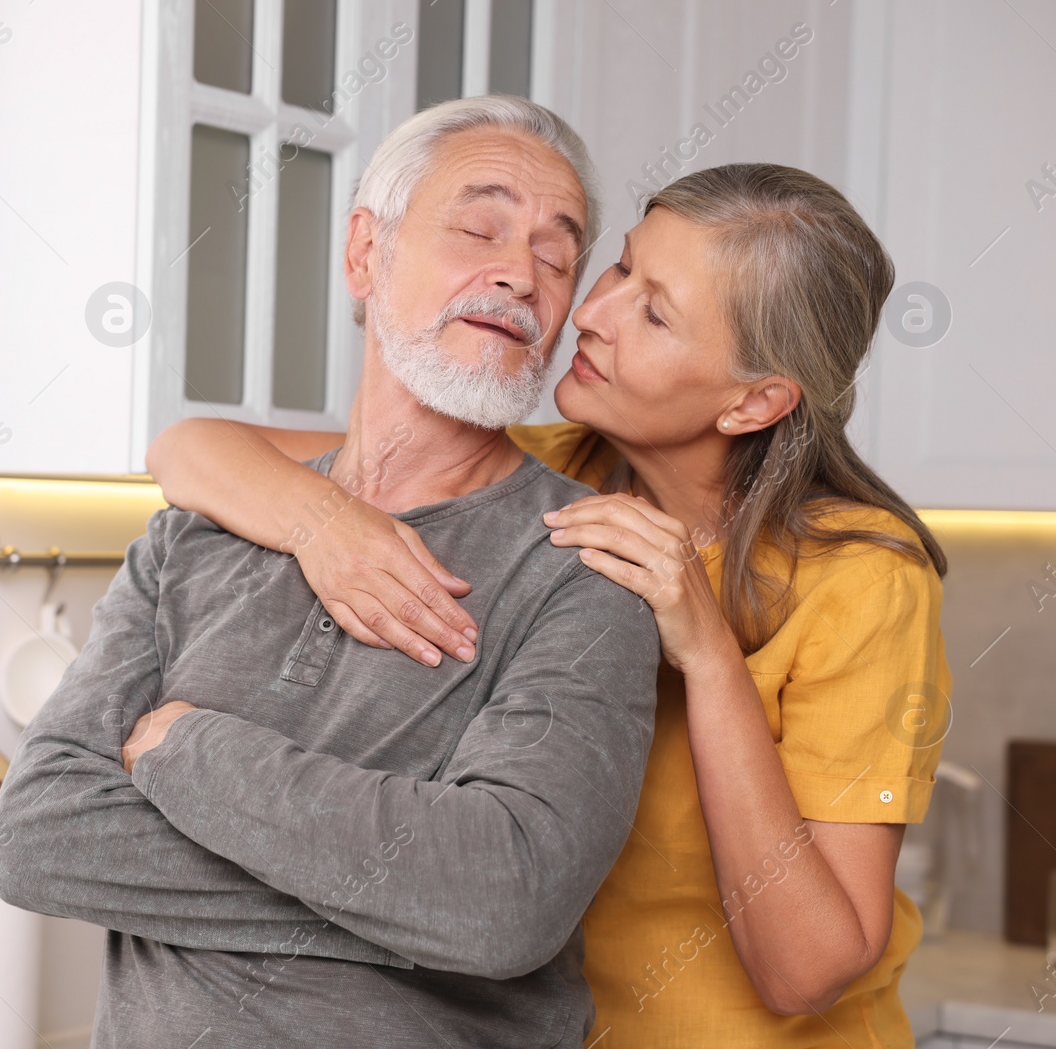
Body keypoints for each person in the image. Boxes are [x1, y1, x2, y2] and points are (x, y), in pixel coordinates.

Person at [148, 162, 953, 1048]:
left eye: (654, 313)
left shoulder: (866, 580)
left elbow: (806, 969)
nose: (592, 314)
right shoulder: (547, 468)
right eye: (620, 269)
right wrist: (326, 525)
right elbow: (191, 449)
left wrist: (712, 659)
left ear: (754, 400)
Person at [0, 96, 663, 1048]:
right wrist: (405, 910)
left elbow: (503, 899)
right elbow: (40, 838)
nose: (520, 274)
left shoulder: (587, 568)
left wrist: (186, 750)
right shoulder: (196, 535)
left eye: (559, 256)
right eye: (479, 227)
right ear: (365, 253)